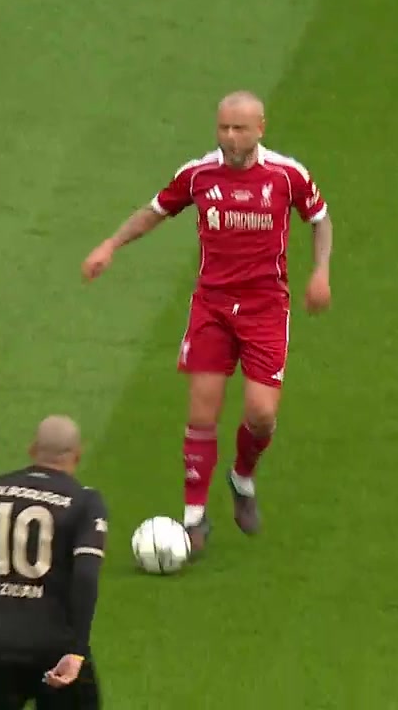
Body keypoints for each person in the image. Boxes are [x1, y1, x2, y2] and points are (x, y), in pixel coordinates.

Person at [80, 90, 332, 554]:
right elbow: (154, 212)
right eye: (223, 128)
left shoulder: (286, 175)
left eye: (239, 128)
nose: (230, 137)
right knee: (201, 412)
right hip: (212, 307)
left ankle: (242, 477)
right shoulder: (198, 174)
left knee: (261, 415)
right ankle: (193, 519)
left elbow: (320, 218)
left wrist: (321, 272)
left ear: (260, 128)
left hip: (265, 309)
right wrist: (110, 245)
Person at [0, 415, 108, 710]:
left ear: (32, 449)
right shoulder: (85, 502)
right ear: (77, 455)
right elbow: (86, 576)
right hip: (54, 647)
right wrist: (77, 650)